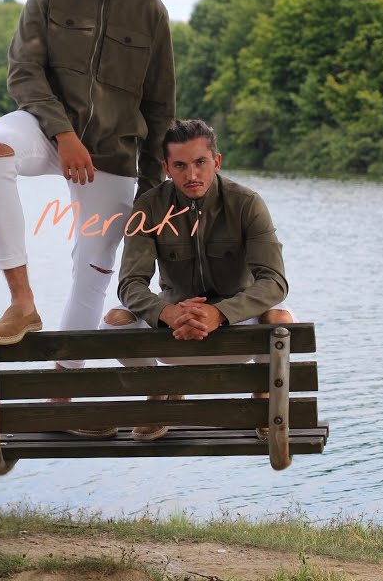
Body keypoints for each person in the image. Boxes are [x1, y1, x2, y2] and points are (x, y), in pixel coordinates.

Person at [0, 0, 176, 434]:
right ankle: (21, 303)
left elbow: (160, 110)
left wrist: (151, 195)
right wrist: (63, 134)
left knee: (92, 273)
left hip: (113, 153)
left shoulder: (151, 11)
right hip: (46, 130)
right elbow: (24, 71)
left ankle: (62, 398)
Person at [101, 119, 296, 441]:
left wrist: (220, 313)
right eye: (180, 165)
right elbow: (130, 284)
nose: (191, 175)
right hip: (174, 328)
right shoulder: (149, 207)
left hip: (238, 325)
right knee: (113, 322)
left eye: (200, 163)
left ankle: (264, 397)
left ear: (216, 162)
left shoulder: (247, 203)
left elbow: (275, 281)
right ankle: (160, 390)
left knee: (280, 320)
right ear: (166, 168)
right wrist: (167, 313)